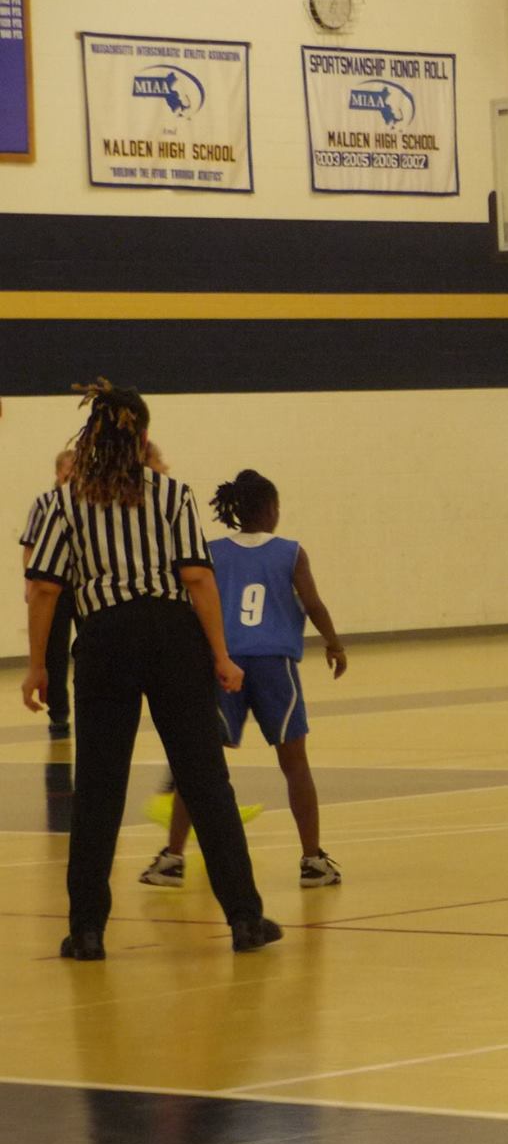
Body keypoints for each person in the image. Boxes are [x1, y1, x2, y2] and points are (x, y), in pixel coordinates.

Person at [19, 379, 279, 960]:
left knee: (98, 789)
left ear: (91, 439)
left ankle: (87, 930)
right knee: (205, 779)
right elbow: (197, 578)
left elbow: (43, 590)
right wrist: (220, 654)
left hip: (103, 639)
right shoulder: (171, 494)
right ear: (142, 438)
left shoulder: (64, 500)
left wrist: (38, 666)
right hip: (171, 635)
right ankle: (245, 920)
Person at [139, 470, 347, 889]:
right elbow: (313, 603)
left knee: (198, 766)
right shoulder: (290, 552)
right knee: (295, 765)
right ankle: (312, 860)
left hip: (223, 663)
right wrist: (334, 644)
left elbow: (192, 601)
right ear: (271, 509)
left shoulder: (212, 551)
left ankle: (173, 858)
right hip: (275, 664)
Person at [19, 447, 75, 739]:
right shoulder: (43, 504)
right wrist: (29, 582)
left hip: (83, 585)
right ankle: (59, 714)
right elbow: (29, 546)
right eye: (68, 473)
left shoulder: (87, 502)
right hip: (55, 585)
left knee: (90, 650)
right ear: (58, 473)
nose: (72, 478)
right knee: (54, 652)